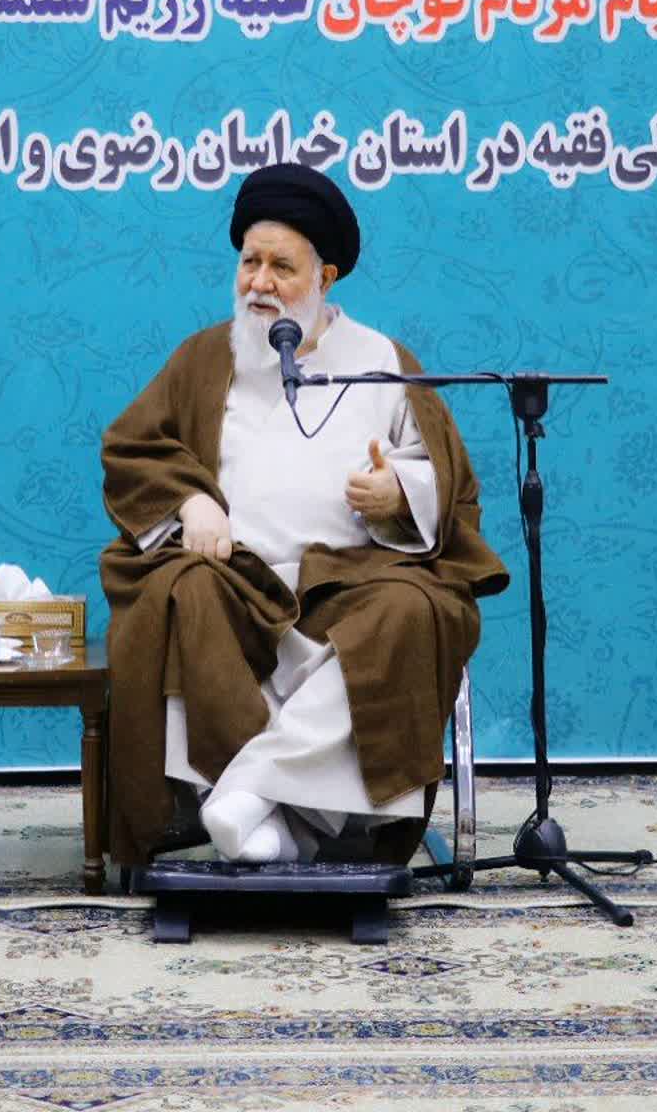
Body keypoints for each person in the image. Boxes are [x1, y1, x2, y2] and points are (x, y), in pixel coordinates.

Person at [100, 162, 508, 867]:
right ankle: (290, 822)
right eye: (249, 262)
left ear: (326, 277)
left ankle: (249, 795)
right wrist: (191, 501)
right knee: (181, 591)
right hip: (236, 582)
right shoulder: (204, 357)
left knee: (417, 609)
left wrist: (399, 494)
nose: (259, 282)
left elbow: (449, 483)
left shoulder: (383, 360)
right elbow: (133, 448)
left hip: (354, 584)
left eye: (281, 267)